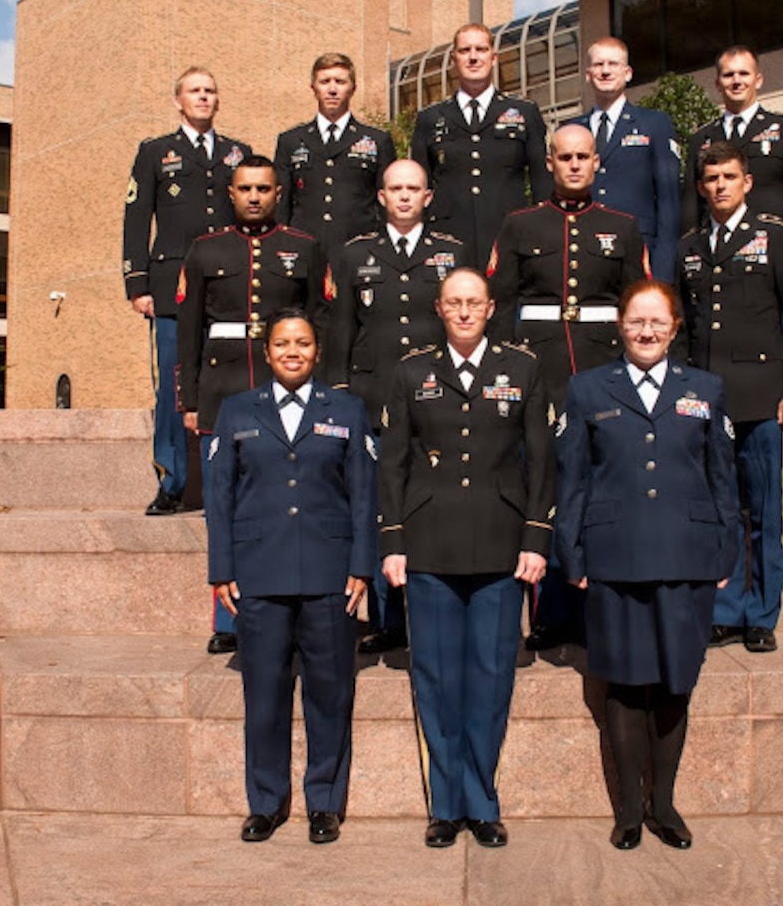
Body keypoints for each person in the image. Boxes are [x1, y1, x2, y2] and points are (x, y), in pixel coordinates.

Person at [556, 279, 741, 850]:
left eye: (658, 321)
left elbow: (722, 478)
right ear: (620, 324)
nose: (646, 330)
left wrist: (726, 548)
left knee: (674, 684)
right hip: (615, 558)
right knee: (624, 686)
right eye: (636, 320)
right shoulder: (588, 390)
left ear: (675, 326)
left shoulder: (705, 388)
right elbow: (574, 479)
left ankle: (665, 802)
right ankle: (630, 811)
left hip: (688, 557)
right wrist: (573, 550)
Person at [378, 267, 554, 849]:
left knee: (491, 676)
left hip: (502, 546)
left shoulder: (523, 368)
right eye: (453, 303)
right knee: (435, 677)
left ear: (490, 307)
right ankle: (445, 804)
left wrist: (535, 538)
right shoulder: (410, 371)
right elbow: (393, 464)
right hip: (428, 545)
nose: (462, 312)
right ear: (438, 307)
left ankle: (482, 801)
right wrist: (394, 541)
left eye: (472, 303)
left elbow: (542, 460)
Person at [206, 307, 376, 845]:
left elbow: (364, 495)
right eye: (282, 343)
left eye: (302, 343)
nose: (292, 352)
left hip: (330, 574)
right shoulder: (236, 411)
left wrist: (361, 566)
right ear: (267, 349)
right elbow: (219, 497)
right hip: (259, 575)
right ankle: (266, 802)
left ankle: (324, 803)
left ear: (317, 351)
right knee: (264, 694)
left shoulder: (346, 409)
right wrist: (222, 569)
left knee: (329, 693)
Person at [487, 122, 649, 650]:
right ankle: (552, 609)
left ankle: (601, 605)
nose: (574, 165)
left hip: (603, 374)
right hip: (541, 371)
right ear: (549, 164)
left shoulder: (621, 227)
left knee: (601, 489)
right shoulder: (519, 224)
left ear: (596, 162)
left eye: (583, 157)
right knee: (546, 488)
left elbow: (637, 306)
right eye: (564, 157)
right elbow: (501, 305)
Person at [677, 142, 783, 653]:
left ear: (747, 182)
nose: (720, 185)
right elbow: (682, 329)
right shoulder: (689, 247)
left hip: (766, 403)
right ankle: (725, 611)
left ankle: (761, 615)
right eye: (711, 177)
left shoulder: (778, 238)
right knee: (720, 512)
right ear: (700, 187)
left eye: (729, 176)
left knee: (764, 515)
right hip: (708, 406)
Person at [177, 155, 326, 654]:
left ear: (278, 193)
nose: (255, 196)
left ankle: (291, 610)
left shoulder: (303, 248)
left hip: (286, 389)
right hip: (223, 393)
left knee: (287, 500)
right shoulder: (203, 250)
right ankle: (228, 617)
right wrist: (190, 399)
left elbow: (318, 322)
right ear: (231, 193)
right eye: (246, 188)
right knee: (226, 505)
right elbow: (189, 332)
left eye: (264, 188)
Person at [325, 158, 470, 655]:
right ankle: (387, 620)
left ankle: (435, 611)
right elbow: (341, 329)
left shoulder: (452, 253)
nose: (405, 196)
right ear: (381, 197)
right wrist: (338, 396)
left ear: (428, 197)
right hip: (370, 399)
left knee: (433, 503)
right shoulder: (354, 255)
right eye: (396, 188)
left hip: (435, 400)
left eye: (414, 188)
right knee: (379, 508)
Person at [123, 66, 252, 516]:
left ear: (218, 100)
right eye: (194, 91)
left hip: (228, 288)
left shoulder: (241, 153)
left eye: (210, 91)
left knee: (235, 383)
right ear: (178, 100)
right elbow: (136, 220)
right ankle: (173, 483)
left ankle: (238, 481)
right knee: (175, 388)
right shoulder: (155, 152)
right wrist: (136, 283)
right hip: (171, 287)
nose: (203, 97)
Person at [411, 23, 553, 268]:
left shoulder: (524, 112)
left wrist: (542, 235)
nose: (473, 57)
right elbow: (418, 185)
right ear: (453, 59)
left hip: (509, 238)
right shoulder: (429, 119)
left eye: (481, 49)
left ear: (494, 57)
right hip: (446, 241)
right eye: (465, 50)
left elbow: (542, 183)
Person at [683, 46, 783, 278]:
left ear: (758, 80)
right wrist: (688, 252)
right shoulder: (702, 138)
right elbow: (691, 203)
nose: (736, 81)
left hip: (776, 253)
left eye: (744, 74)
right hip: (718, 255)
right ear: (718, 83)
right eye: (728, 75)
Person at [570, 36, 680, 281]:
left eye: (613, 64)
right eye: (598, 65)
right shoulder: (572, 129)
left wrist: (663, 271)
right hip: (584, 252)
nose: (605, 71)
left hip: (639, 252)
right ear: (588, 74)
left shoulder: (654, 124)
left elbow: (668, 201)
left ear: (628, 73)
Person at [273, 53, 396, 263]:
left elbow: (387, 205)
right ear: (314, 88)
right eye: (325, 81)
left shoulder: (377, 141)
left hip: (360, 252)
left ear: (353, 88)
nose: (332, 89)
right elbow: (281, 205)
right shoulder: (290, 141)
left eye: (340, 82)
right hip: (304, 252)